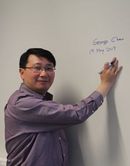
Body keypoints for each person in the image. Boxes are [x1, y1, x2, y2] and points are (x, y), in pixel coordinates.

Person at [4, 48, 122, 166]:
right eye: (37, 68)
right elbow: (76, 114)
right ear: (22, 72)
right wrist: (105, 84)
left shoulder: (43, 100)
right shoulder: (22, 104)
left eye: (49, 68)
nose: (44, 73)